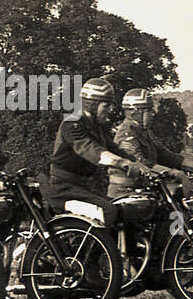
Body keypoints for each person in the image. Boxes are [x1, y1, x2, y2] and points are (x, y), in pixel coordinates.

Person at [46, 77, 155, 226]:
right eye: (106, 106)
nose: (110, 110)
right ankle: (99, 249)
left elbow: (116, 150)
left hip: (84, 188)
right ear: (92, 105)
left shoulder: (96, 128)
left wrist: (143, 167)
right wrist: (124, 163)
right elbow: (92, 150)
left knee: (126, 209)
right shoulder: (72, 123)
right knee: (108, 211)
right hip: (63, 190)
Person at [107, 87, 193, 196]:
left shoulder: (145, 132)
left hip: (145, 190)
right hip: (126, 192)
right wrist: (175, 173)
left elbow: (166, 156)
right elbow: (141, 163)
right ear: (134, 112)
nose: (153, 114)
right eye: (148, 110)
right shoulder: (126, 134)